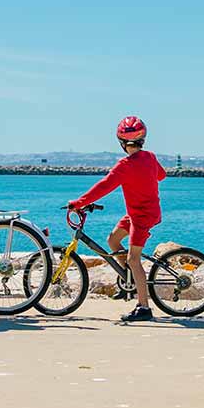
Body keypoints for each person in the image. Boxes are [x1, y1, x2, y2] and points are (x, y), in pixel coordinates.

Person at [66, 116, 166, 322]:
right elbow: (161, 176)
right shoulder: (151, 157)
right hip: (137, 213)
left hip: (142, 217)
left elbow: (104, 186)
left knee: (133, 258)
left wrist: (79, 202)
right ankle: (128, 277)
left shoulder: (124, 166)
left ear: (121, 142)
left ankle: (144, 307)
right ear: (143, 139)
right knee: (112, 240)